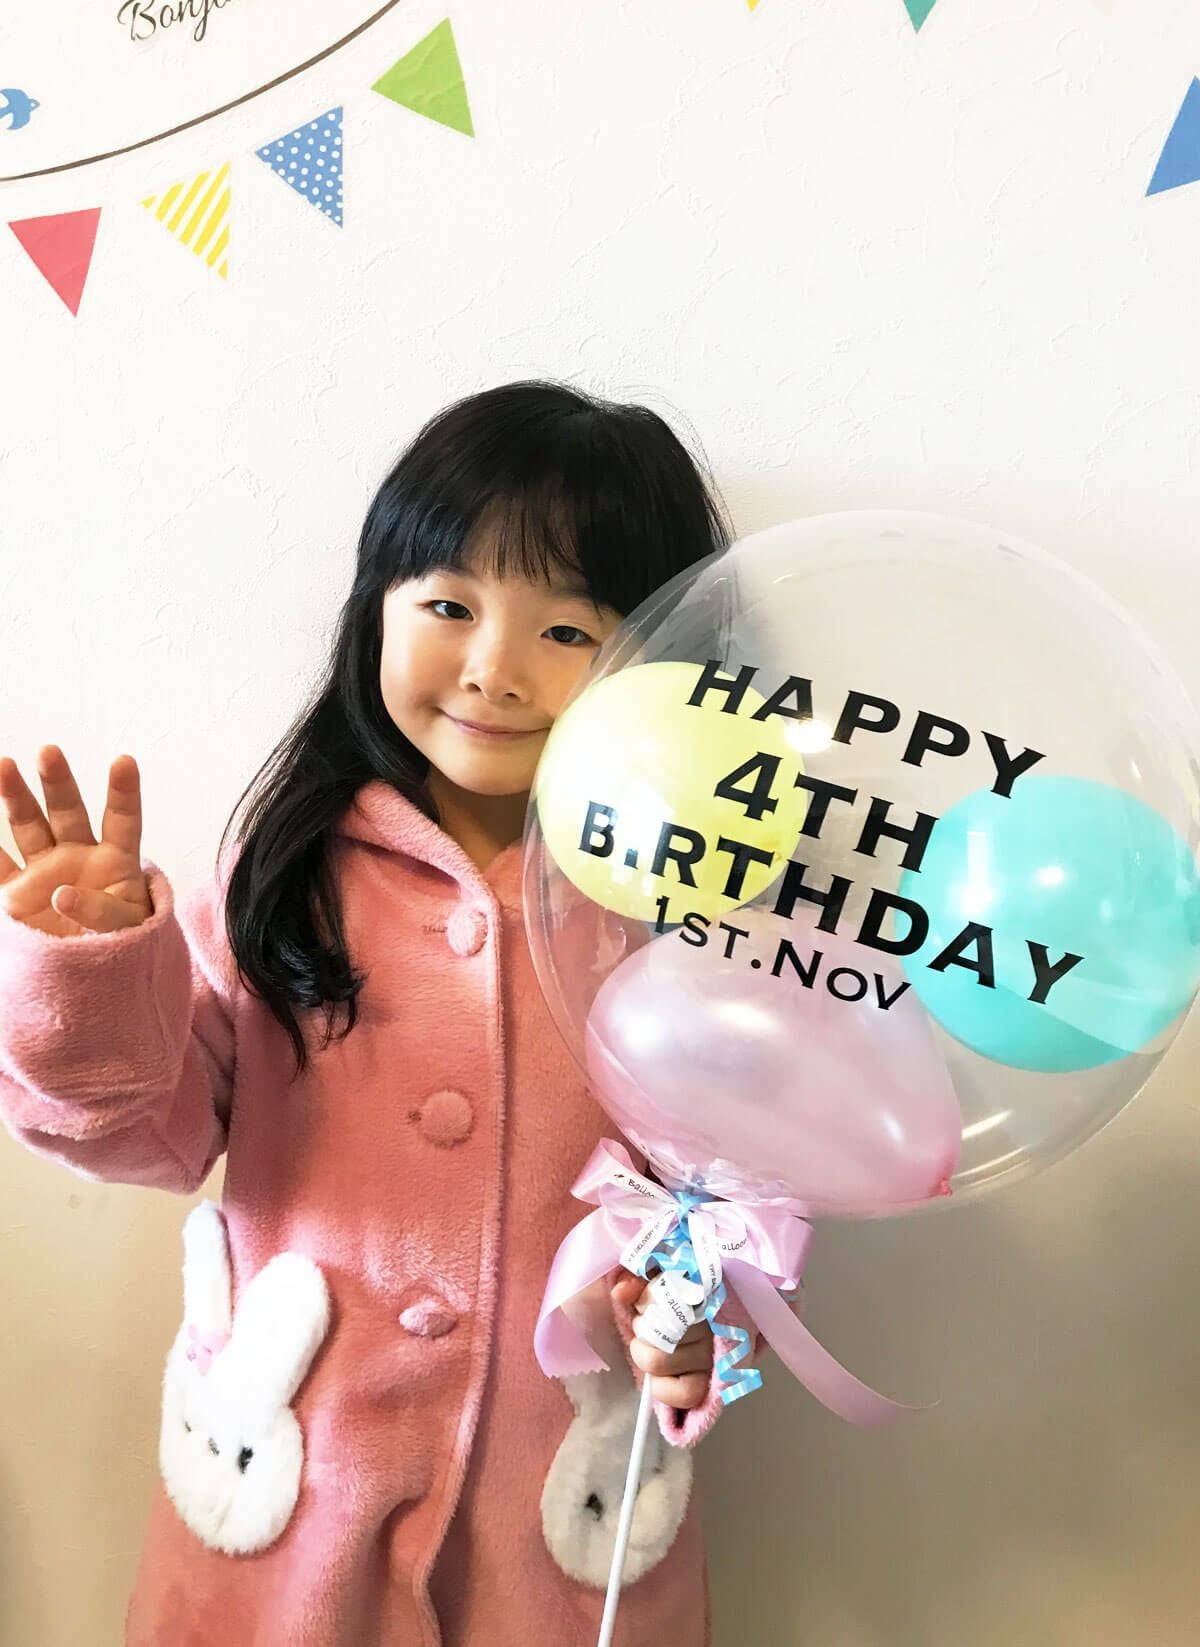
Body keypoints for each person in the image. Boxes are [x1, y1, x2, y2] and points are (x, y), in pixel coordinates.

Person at [0, 380, 747, 1646]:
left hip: (559, 1547)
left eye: (569, 629)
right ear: (375, 615)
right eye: (449, 606)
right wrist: (90, 970)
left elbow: (733, 1208)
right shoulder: (289, 869)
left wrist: (693, 1340)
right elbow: (149, 1136)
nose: (494, 668)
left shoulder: (680, 918)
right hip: (286, 1529)